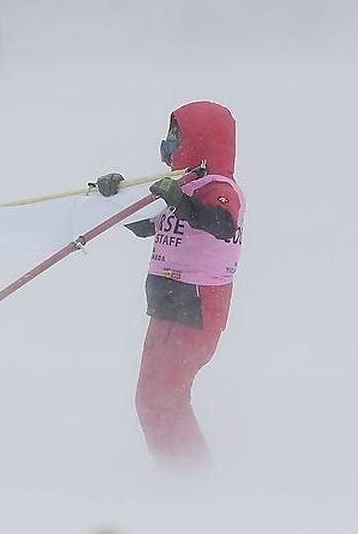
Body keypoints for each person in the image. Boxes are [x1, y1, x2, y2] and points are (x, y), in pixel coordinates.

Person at [97, 101, 245, 468]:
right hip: (167, 302)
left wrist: (179, 199)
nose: (169, 145)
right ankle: (179, 475)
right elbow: (144, 224)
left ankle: (188, 481)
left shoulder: (218, 187)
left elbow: (222, 225)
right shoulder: (183, 187)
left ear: (200, 139)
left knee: (160, 396)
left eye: (176, 136)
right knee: (152, 396)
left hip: (195, 305)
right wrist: (115, 200)